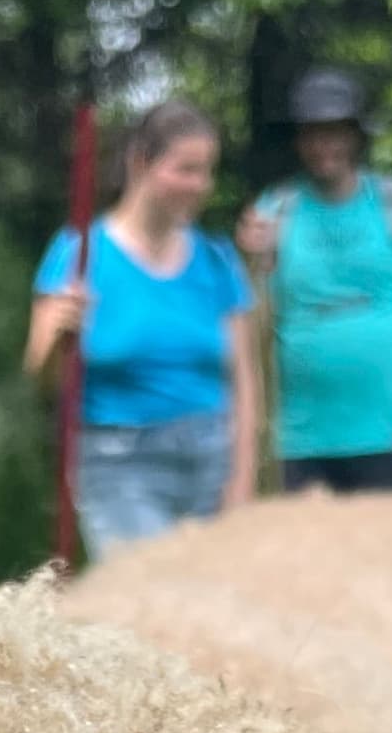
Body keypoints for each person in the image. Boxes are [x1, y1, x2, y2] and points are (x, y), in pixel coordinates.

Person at [27, 99, 261, 560]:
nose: (201, 186)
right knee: (149, 604)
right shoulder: (77, 255)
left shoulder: (217, 261)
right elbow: (42, 381)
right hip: (118, 462)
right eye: (186, 170)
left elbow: (246, 384)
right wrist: (57, 335)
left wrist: (243, 480)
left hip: (210, 458)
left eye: (207, 171)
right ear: (140, 162)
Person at [238, 66, 392, 494]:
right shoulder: (276, 209)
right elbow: (250, 321)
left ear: (357, 136)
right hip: (301, 438)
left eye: (335, 132)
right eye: (313, 133)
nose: (324, 146)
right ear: (299, 140)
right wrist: (250, 261)